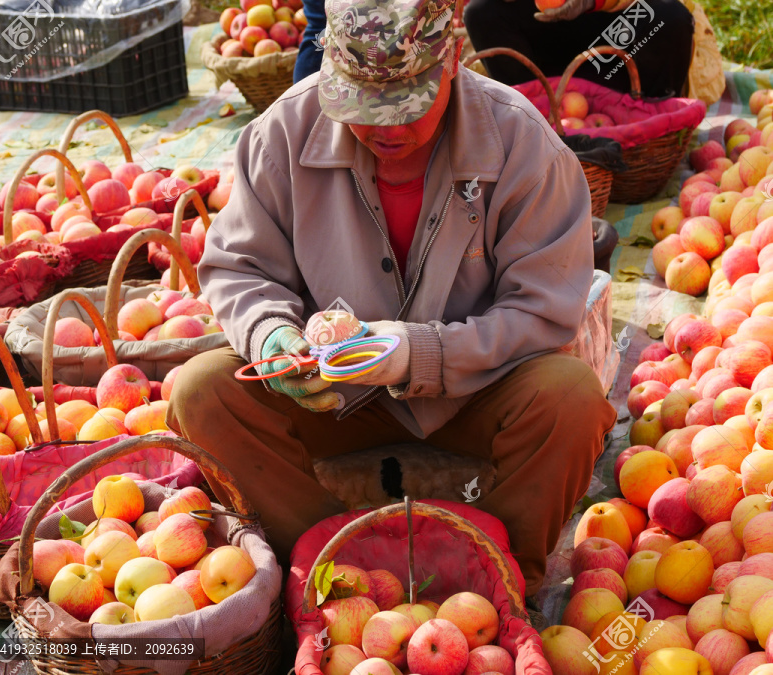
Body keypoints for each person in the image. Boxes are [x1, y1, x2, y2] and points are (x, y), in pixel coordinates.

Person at [169, 0, 617, 600]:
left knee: (571, 399)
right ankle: (330, 565)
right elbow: (239, 269)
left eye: (408, 105)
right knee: (202, 391)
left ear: (453, 60)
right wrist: (274, 336)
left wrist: (421, 354)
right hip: (336, 394)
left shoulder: (520, 143)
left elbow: (542, 310)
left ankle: (493, 586)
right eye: (363, 106)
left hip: (476, 391)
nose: (388, 130)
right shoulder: (282, 134)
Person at [463, 0, 694, 98]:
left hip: (616, 45)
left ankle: (649, 126)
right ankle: (538, 118)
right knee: (481, 12)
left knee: (669, 16)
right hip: (546, 42)